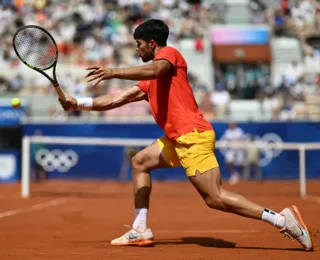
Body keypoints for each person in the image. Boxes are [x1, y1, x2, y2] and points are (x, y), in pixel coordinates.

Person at [59, 19, 313, 251]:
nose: (137, 49)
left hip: (193, 137)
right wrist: (78, 103)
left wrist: (114, 71)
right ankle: (139, 229)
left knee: (215, 198)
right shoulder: (149, 81)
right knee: (140, 162)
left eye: (138, 45)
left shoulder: (168, 55)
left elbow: (156, 70)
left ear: (152, 43)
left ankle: (282, 220)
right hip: (178, 139)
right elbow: (116, 99)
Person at [221, 121, 246, 185]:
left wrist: (242, 147)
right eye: (230, 124)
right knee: (228, 161)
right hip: (231, 150)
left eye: (232, 124)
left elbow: (243, 139)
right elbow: (224, 140)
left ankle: (241, 175)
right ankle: (234, 174)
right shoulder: (227, 132)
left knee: (241, 163)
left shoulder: (239, 131)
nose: (231, 125)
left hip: (239, 150)